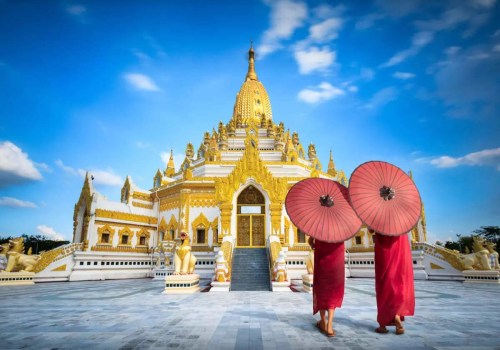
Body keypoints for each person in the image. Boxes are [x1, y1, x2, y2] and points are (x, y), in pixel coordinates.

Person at [371, 229, 415, 335]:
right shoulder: (401, 218)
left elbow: (370, 230)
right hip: (400, 247)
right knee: (398, 283)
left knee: (384, 285)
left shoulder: (377, 214)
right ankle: (397, 316)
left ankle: (383, 324)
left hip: (384, 251)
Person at [308, 236, 345, 337]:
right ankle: (330, 325)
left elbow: (310, 241)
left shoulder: (319, 225)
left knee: (322, 291)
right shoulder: (340, 228)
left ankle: (323, 322)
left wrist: (315, 246)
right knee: (333, 293)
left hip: (322, 262)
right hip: (336, 263)